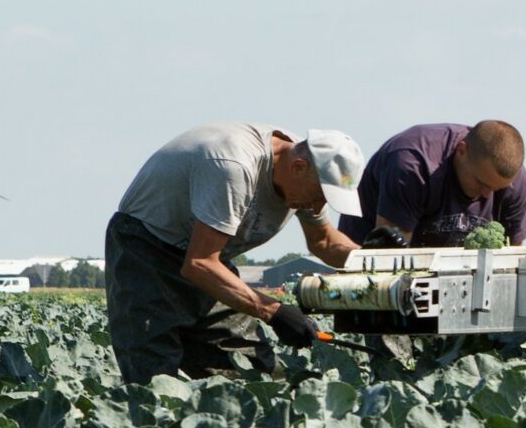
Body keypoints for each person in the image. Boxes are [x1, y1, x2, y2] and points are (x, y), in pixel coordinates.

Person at [104, 124, 364, 383]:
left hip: (212, 262)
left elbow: (325, 242)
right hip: (147, 250)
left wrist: (375, 260)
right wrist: (274, 311)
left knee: (252, 374)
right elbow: (199, 264)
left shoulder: (305, 168)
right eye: (320, 195)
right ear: (298, 168)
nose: (318, 206)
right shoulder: (234, 167)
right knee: (152, 379)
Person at [340, 120, 526, 249]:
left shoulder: (515, 183)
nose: (486, 194)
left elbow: (512, 260)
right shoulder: (412, 165)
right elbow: (389, 257)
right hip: (366, 254)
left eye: (496, 189)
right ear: (461, 151)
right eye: (480, 182)